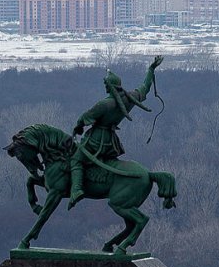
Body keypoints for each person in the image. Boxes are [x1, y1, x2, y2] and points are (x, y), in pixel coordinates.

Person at [68, 55, 163, 208]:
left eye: (106, 84)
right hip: (111, 141)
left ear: (109, 86)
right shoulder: (130, 98)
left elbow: (84, 118)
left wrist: (77, 127)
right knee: (105, 161)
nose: (105, 87)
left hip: (96, 139)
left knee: (76, 160)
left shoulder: (104, 104)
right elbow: (144, 88)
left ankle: (77, 189)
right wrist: (151, 70)